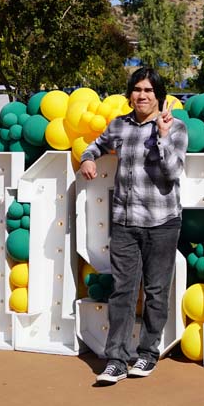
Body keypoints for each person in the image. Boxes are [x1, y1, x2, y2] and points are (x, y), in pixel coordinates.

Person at [79, 67, 187, 386]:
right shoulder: (119, 126)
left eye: (149, 91)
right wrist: (88, 158)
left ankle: (148, 352)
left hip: (162, 222)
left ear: (159, 96)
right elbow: (96, 146)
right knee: (123, 291)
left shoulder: (177, 128)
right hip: (125, 223)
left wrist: (163, 137)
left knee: (155, 292)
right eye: (137, 89)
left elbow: (172, 172)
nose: (142, 95)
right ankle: (117, 358)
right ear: (130, 94)